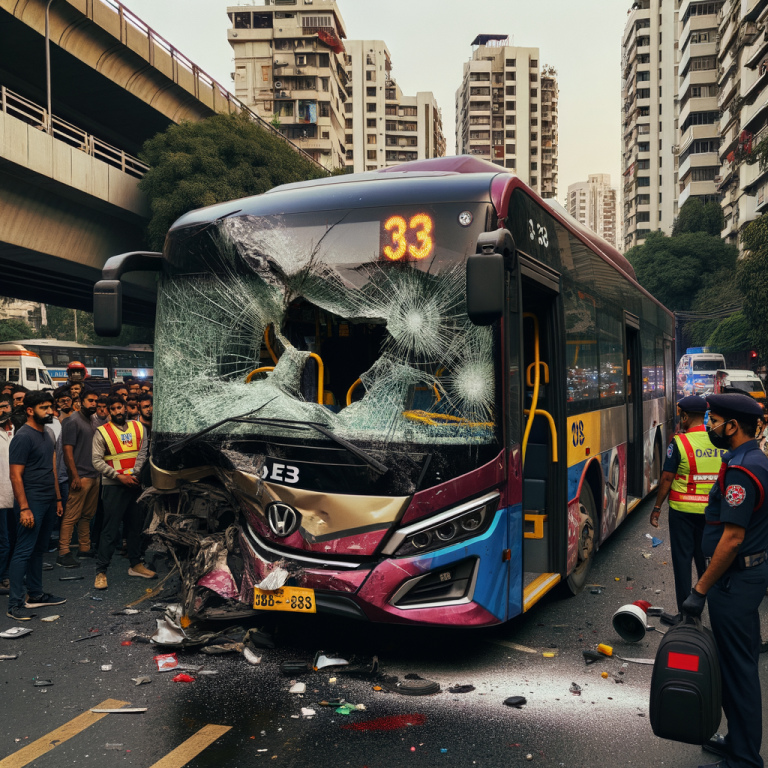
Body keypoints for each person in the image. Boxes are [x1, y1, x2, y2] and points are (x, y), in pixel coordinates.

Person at [681, 394, 768, 768]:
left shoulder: (743, 470)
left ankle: (745, 759)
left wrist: (699, 590)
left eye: (713, 420)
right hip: (746, 577)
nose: (709, 426)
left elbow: (732, 538)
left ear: (732, 426)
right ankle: (738, 742)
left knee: (738, 670)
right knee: (739, 663)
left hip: (735, 582)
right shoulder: (751, 460)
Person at [650, 396, 724, 619]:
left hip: (682, 514)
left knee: (682, 563)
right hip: (711, 515)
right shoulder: (719, 441)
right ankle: (716, 615)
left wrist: (657, 507)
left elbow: (666, 478)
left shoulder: (679, 442)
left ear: (684, 416)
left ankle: (686, 616)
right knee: (708, 566)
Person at [7, 391, 66, 620]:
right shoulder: (23, 437)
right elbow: (15, 475)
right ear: (30, 410)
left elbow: (52, 467)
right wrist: (24, 507)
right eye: (44, 407)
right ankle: (14, 604)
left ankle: (36, 595)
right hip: (31, 501)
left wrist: (58, 498)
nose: (50, 411)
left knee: (38, 550)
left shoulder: (49, 432)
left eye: (50, 407)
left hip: (49, 499)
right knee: (22, 551)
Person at [91, 396, 155, 589]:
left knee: (135, 527)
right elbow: (96, 460)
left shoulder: (139, 428)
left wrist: (133, 476)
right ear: (109, 411)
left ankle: (135, 565)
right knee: (110, 530)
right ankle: (101, 571)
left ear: (126, 408)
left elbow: (143, 453)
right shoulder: (102, 432)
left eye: (120, 407)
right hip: (114, 486)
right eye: (114, 409)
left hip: (134, 485)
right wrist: (119, 477)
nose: (118, 411)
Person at [56, 389, 99, 568]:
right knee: (71, 516)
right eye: (90, 401)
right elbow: (67, 451)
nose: (94, 404)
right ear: (80, 401)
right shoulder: (72, 421)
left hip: (93, 474)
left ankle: (84, 547)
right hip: (80, 476)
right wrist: (74, 475)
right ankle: (63, 552)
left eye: (96, 401)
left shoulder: (92, 420)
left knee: (87, 515)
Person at [0, 394, 14, 595]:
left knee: (14, 538)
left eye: (4, 406)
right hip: (1, 496)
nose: (1, 411)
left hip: (16, 495)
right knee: (3, 541)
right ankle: (2, 577)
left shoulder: (16, 432)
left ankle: (10, 574)